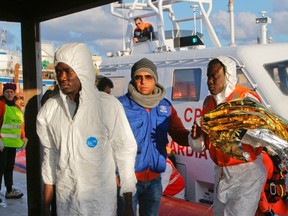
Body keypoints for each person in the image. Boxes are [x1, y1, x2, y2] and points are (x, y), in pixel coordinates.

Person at [36, 42, 137, 216]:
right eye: (59, 71)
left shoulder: (107, 106)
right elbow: (50, 156)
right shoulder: (50, 111)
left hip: (100, 204)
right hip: (66, 202)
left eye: (68, 71)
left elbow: (125, 151)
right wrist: (46, 206)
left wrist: (128, 204)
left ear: (82, 70)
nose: (62, 77)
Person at [189, 56, 266, 216]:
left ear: (228, 77)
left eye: (214, 77)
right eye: (208, 77)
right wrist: (196, 137)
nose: (210, 81)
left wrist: (232, 130)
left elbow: (261, 136)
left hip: (246, 174)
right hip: (221, 173)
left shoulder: (245, 100)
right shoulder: (209, 104)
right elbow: (201, 146)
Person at [118, 57, 190, 215]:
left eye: (148, 77)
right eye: (138, 77)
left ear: (155, 80)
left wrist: (195, 137)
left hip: (154, 181)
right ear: (133, 79)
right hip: (128, 180)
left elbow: (179, 134)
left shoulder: (165, 106)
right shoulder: (120, 105)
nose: (143, 81)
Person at [0, 83, 28, 202]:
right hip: (2, 145)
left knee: (9, 167)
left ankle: (9, 190)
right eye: (7, 92)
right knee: (0, 168)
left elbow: (20, 125)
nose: (9, 93)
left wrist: (23, 138)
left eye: (11, 91)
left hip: (12, 144)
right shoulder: (1, 105)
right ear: (4, 93)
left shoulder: (17, 108)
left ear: (14, 93)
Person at [255, 148, 288, 216]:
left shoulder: (280, 164)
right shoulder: (266, 159)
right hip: (260, 207)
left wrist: (285, 196)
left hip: (273, 201)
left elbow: (279, 182)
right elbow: (257, 189)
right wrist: (266, 210)